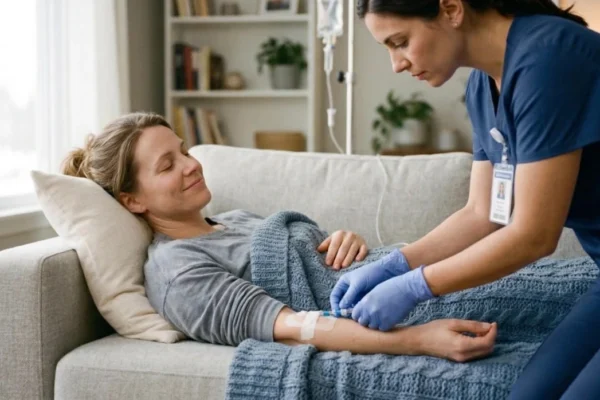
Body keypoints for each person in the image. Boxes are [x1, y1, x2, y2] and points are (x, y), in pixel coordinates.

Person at [61, 112, 497, 362]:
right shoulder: (176, 271)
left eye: (184, 152)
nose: (191, 165)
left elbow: (312, 264)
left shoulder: (236, 219)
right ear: (133, 201)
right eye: (167, 165)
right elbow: (296, 326)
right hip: (410, 306)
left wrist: (344, 241)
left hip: (406, 272)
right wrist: (420, 340)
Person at [330, 0, 600, 398]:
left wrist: (415, 287)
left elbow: (534, 235)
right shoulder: (481, 85)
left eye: (401, 42)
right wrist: (394, 266)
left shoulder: (550, 56)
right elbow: (483, 213)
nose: (397, 64)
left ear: (451, 9)